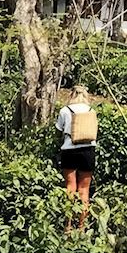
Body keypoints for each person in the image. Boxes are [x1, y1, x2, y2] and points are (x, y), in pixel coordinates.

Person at [56, 86, 97, 227]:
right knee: (84, 190)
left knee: (70, 188)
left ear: (71, 95)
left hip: (69, 150)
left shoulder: (65, 110)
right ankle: (81, 227)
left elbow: (59, 130)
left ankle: (67, 226)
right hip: (88, 151)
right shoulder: (92, 111)